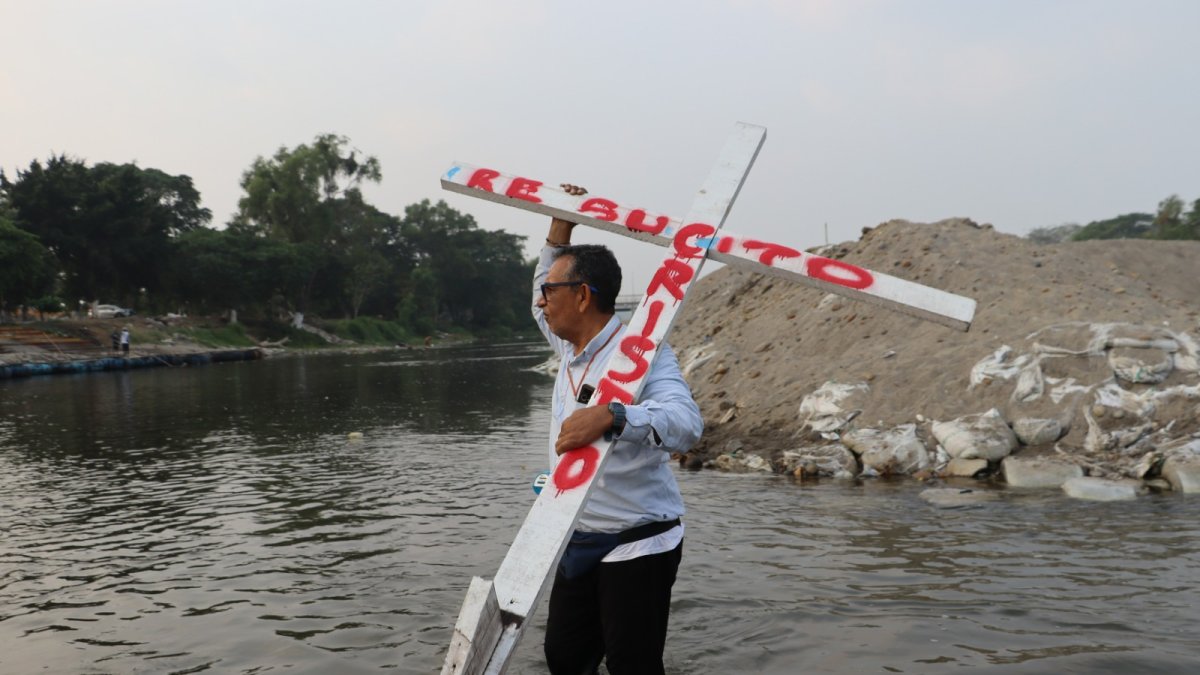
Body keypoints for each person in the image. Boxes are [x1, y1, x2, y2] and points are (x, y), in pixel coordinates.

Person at [535, 184, 702, 675]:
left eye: (551, 292)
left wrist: (615, 415)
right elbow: (539, 294)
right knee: (564, 658)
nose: (541, 302)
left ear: (582, 296)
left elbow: (686, 425)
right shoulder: (568, 345)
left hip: (638, 537)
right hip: (577, 530)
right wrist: (560, 229)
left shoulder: (643, 354)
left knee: (633, 665)